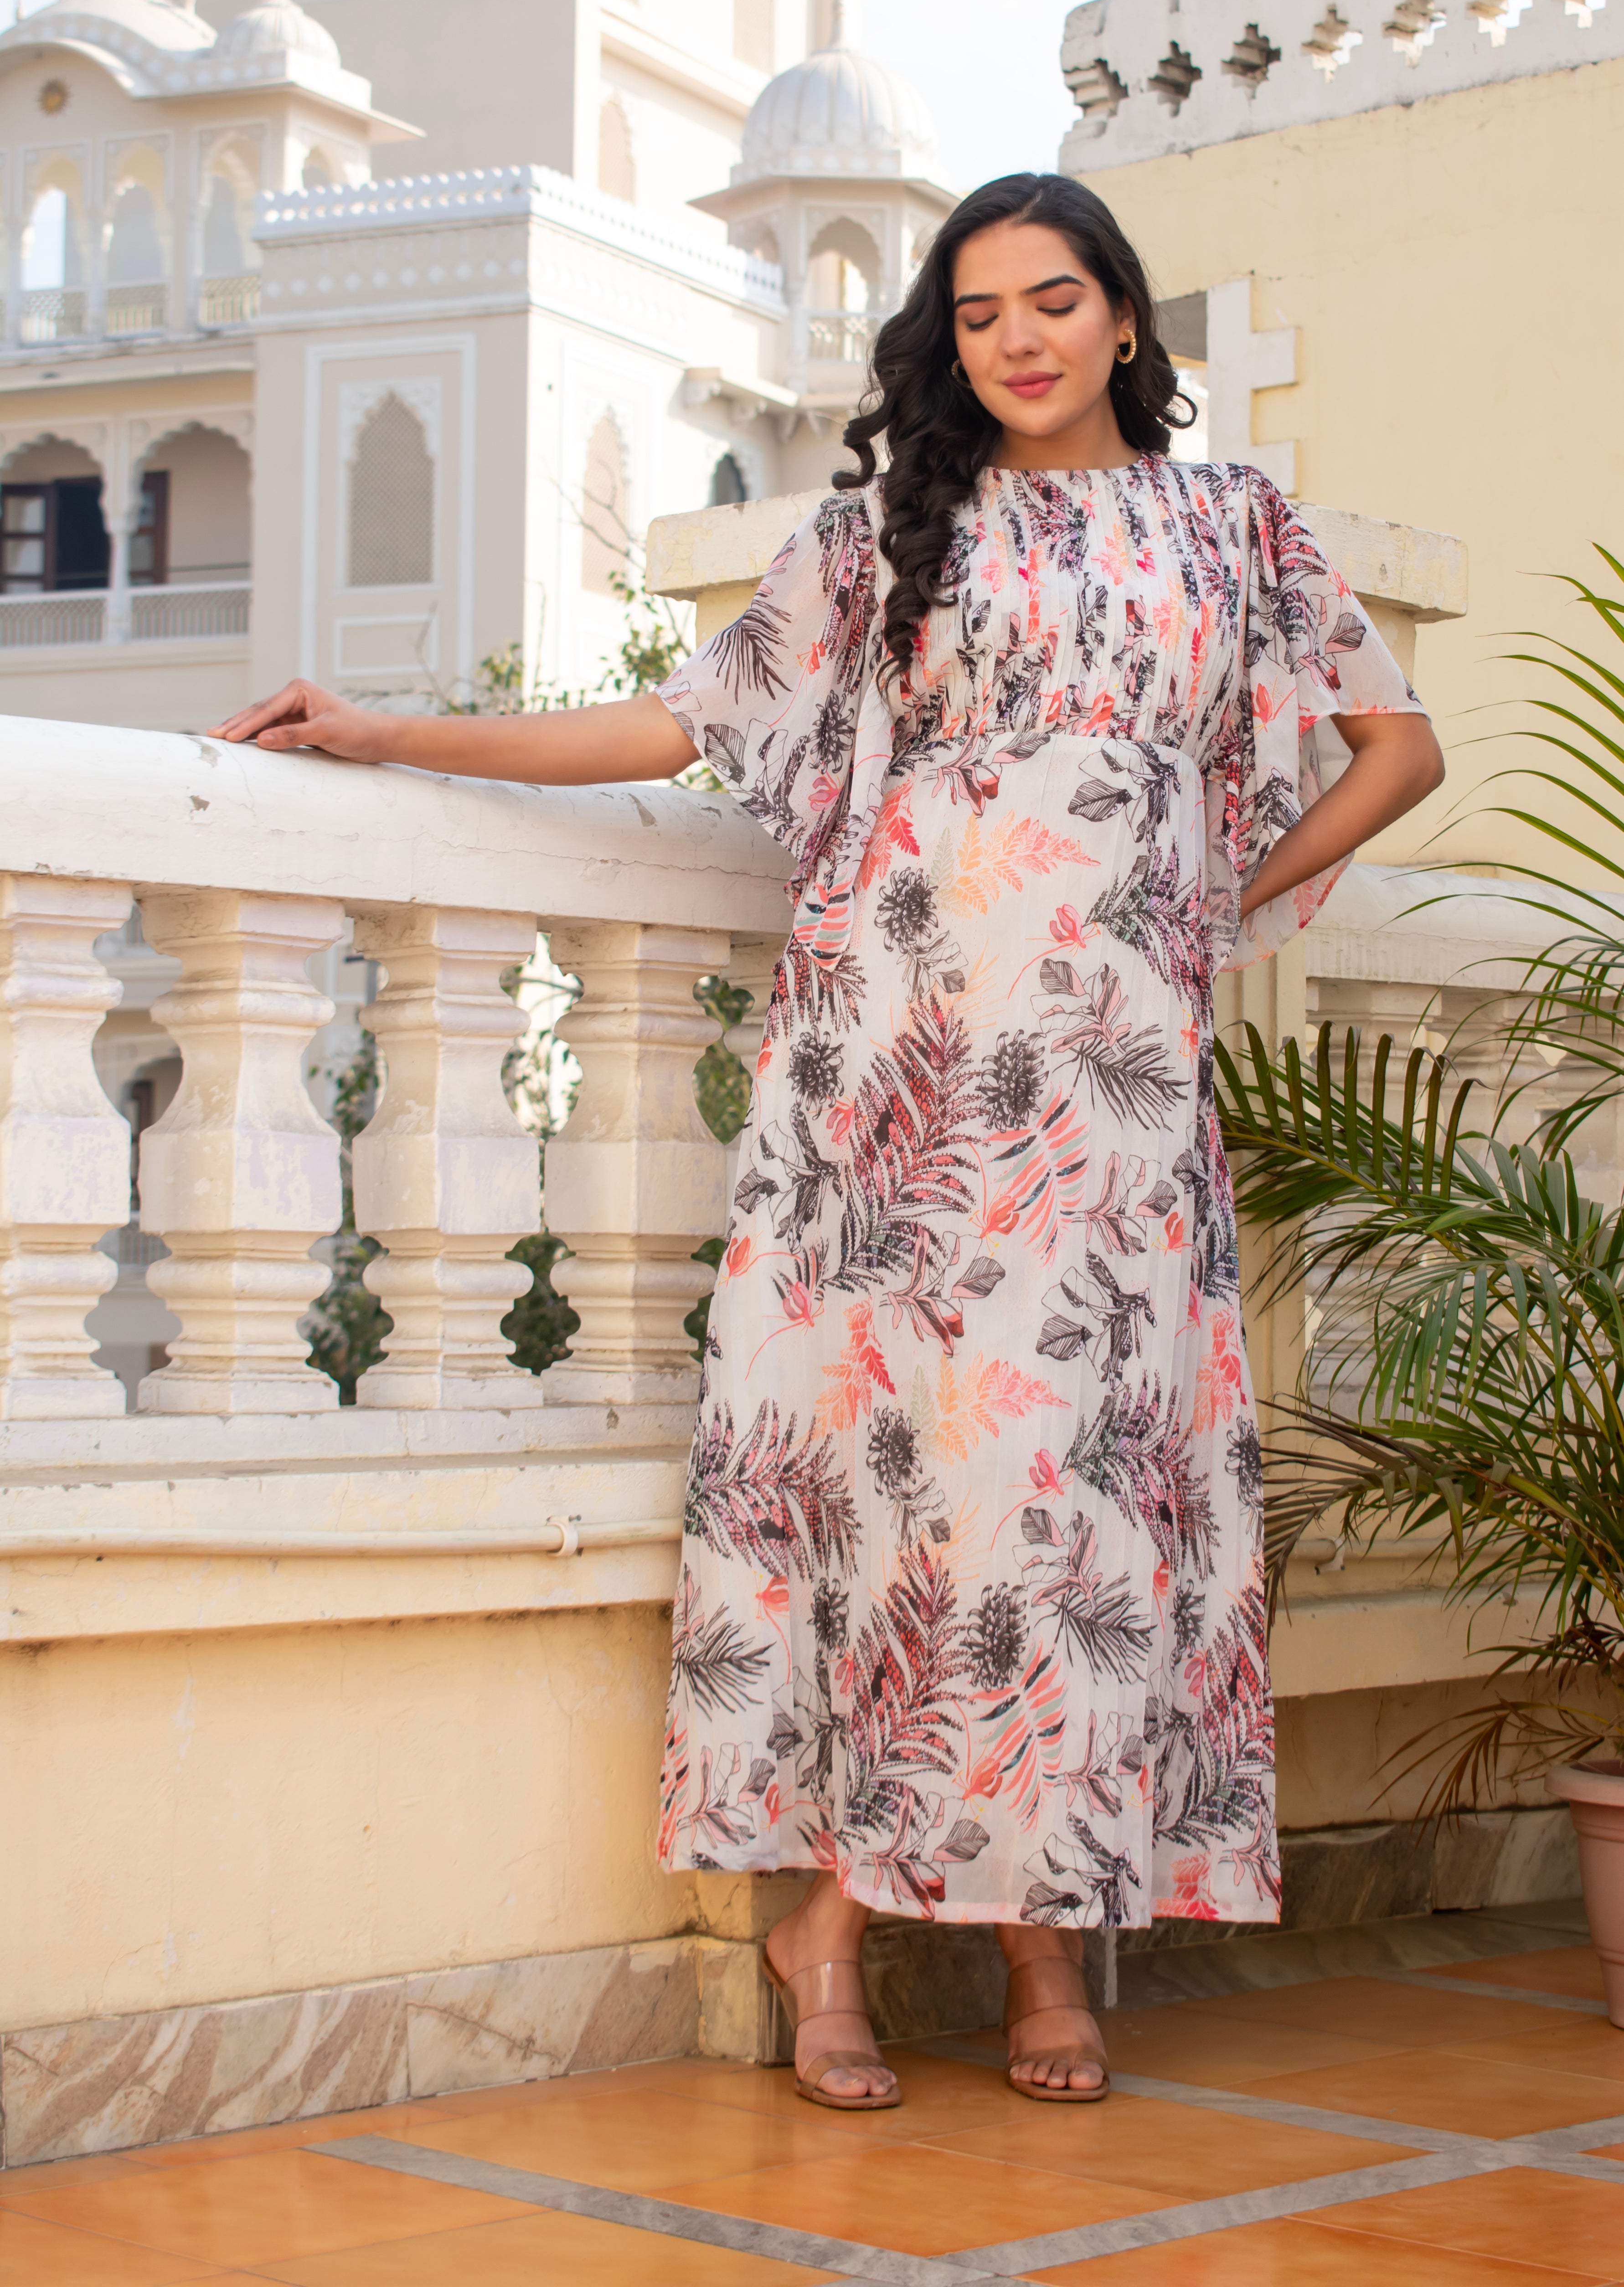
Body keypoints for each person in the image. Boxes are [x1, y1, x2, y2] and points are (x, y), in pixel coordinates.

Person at [209, 171, 1444, 2114]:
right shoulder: (890, 530)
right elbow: (676, 723)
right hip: (890, 1078)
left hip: (1111, 1107)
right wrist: (383, 734)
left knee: (1063, 1504)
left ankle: (1047, 1942)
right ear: (948, 344)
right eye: (977, 313)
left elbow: (1399, 743)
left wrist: (1214, 910)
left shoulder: (1234, 526)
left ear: (1127, 317)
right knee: (884, 1495)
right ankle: (836, 1938)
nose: (1019, 338)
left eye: (1055, 299)